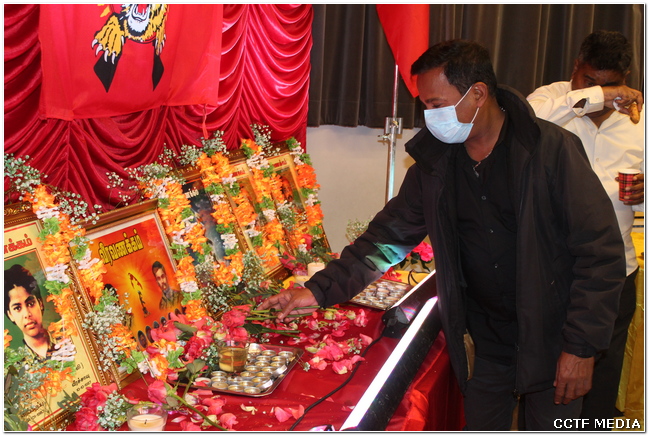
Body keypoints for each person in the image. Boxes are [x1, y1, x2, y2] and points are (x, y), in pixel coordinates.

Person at [259, 39, 626, 430]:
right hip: (487, 343)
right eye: (425, 105)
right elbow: (385, 238)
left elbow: (599, 254)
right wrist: (318, 291)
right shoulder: (436, 164)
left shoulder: (551, 151)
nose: (429, 116)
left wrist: (581, 348)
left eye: (436, 105)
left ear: (478, 94)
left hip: (553, 339)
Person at [527, 30, 644, 428]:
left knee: (600, 385)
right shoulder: (550, 100)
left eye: (610, 83)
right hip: (550, 270)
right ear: (575, 67)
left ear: (626, 77)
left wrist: (645, 191)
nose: (600, 91)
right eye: (589, 80)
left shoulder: (640, 121)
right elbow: (522, 127)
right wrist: (600, 96)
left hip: (614, 272)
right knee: (544, 382)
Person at [4, 264, 56, 361]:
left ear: (40, 304)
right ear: (10, 315)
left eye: (30, 304)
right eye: (17, 308)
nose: (27, 314)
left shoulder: (66, 339)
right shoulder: (16, 364)